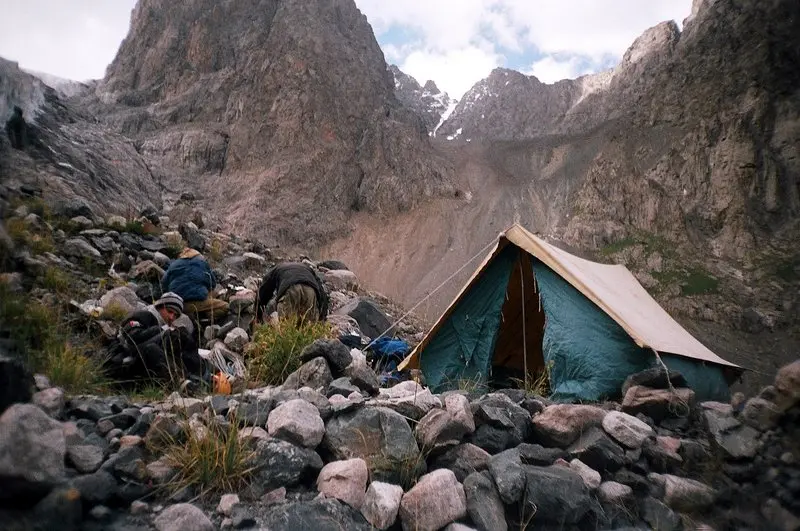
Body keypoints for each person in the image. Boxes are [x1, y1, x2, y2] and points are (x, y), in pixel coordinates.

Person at [106, 292, 203, 385]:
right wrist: (162, 331)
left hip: (139, 367)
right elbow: (132, 340)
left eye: (176, 315)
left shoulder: (159, 322)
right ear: (160, 306)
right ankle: (181, 383)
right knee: (159, 345)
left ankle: (196, 379)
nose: (171, 317)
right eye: (169, 311)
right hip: (121, 366)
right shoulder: (145, 315)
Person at [161, 247, 228, 323]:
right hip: (192, 302)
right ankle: (201, 319)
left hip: (175, 303)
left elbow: (164, 283)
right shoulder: (202, 264)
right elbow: (212, 284)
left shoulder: (174, 264)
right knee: (225, 306)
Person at [256, 262, 329, 324]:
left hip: (291, 289)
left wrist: (258, 315)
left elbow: (264, 292)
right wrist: (323, 316)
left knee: (287, 326)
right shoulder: (307, 268)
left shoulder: (277, 269)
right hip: (310, 290)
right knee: (309, 327)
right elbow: (322, 293)